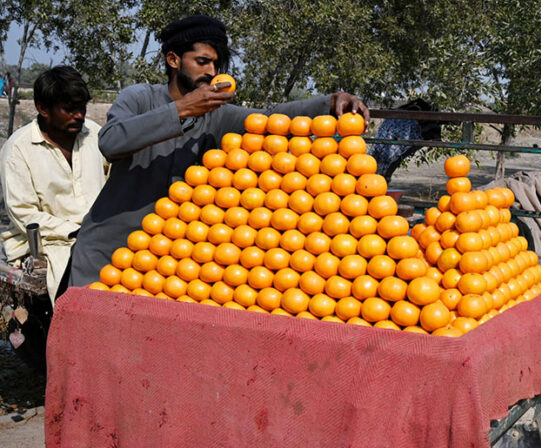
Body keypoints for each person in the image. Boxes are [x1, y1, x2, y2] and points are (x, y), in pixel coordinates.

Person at [66, 15, 369, 289]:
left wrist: (329, 102)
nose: (211, 72)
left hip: (166, 269)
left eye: (216, 65)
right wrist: (182, 110)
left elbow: (269, 116)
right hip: (104, 256)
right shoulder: (139, 98)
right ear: (173, 59)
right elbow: (110, 142)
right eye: (202, 61)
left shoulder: (217, 116)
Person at [0, 66, 108, 302]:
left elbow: (115, 182)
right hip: (48, 242)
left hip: (97, 236)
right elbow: (23, 213)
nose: (79, 115)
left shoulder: (96, 135)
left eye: (82, 108)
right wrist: (76, 231)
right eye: (69, 109)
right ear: (43, 109)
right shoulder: (18, 149)